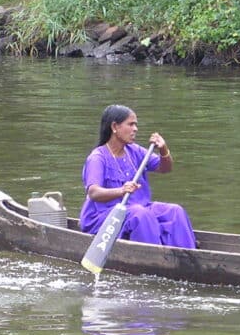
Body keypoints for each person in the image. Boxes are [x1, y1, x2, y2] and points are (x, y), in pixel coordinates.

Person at [79, 104, 197, 249]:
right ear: (115, 127)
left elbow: (165, 168)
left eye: (136, 124)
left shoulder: (134, 151)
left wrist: (163, 149)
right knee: (140, 215)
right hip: (105, 215)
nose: (135, 129)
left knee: (175, 211)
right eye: (131, 124)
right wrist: (121, 190)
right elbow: (94, 192)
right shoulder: (97, 157)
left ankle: (187, 254)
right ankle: (155, 260)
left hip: (140, 207)